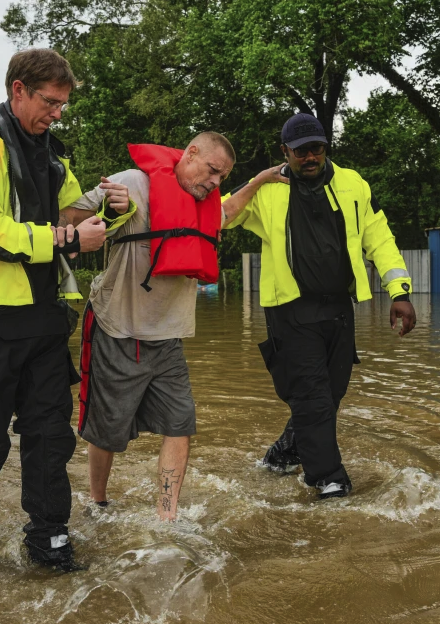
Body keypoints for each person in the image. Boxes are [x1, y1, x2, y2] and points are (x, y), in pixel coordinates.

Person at [0, 48, 112, 571]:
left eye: (62, 104)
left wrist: (107, 206)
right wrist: (68, 236)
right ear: (18, 90)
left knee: (51, 436)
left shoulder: (55, 158)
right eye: (50, 102)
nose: (57, 113)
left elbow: (77, 219)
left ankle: (49, 536)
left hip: (42, 319)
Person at [221, 113, 417, 499]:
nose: (310, 157)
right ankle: (328, 479)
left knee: (331, 395)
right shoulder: (267, 189)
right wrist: (258, 179)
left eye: (317, 148)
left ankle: (282, 455)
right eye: (300, 151)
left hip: (339, 308)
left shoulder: (353, 184)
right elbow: (219, 216)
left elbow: (379, 238)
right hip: (290, 311)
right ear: (285, 151)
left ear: (325, 147)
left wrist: (400, 292)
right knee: (311, 395)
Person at [60, 132, 235, 520]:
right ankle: (98, 502)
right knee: (105, 430)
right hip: (115, 327)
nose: (216, 183)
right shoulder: (133, 182)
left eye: (223, 178)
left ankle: (166, 517)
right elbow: (67, 219)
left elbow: (232, 209)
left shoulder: (206, 205)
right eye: (213, 171)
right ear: (191, 154)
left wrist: (262, 180)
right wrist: (109, 210)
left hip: (168, 337)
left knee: (180, 424)